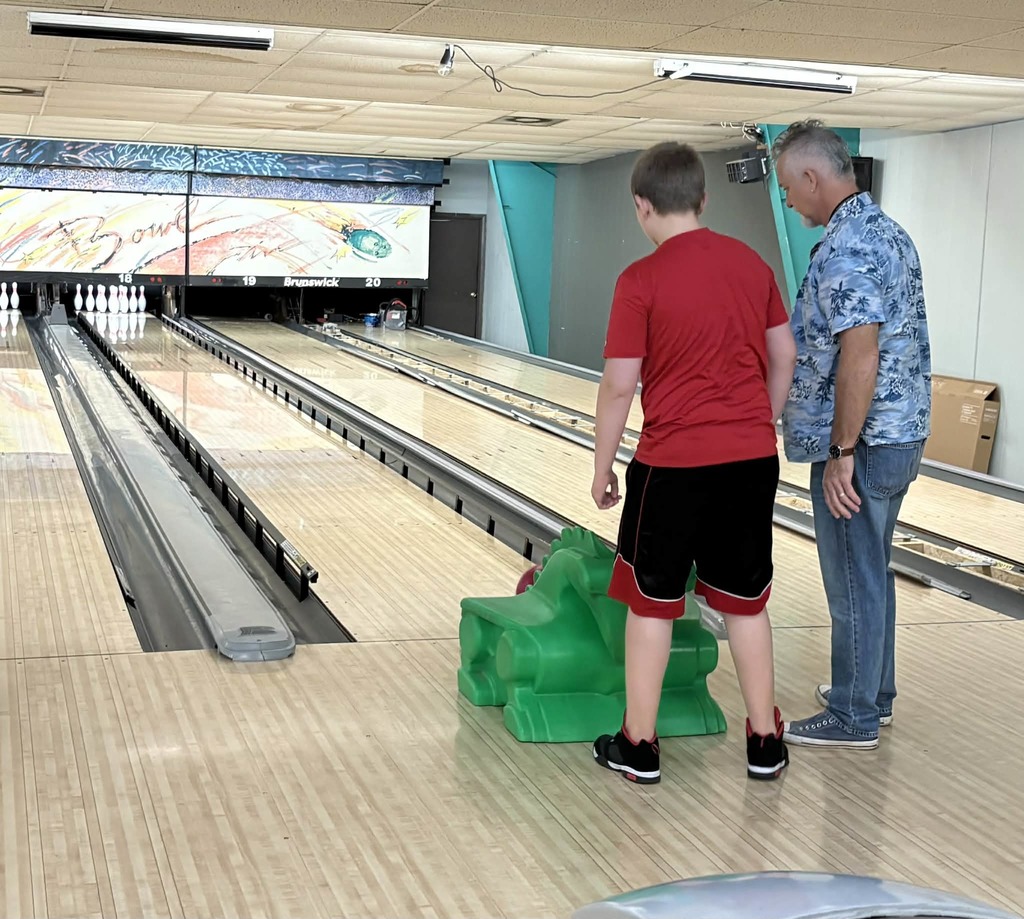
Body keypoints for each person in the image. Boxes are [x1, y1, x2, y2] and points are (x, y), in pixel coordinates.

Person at [590, 140, 797, 783]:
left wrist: (602, 466)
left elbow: (620, 384)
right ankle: (765, 740)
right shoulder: (753, 265)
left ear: (641, 206)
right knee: (745, 602)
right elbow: (784, 354)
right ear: (704, 199)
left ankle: (639, 744)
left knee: (652, 603)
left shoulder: (640, 280)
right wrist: (760, 420)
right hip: (750, 461)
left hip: (671, 466)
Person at [772, 120, 931, 749]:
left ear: (814, 178)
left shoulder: (846, 249)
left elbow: (859, 355)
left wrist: (840, 453)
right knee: (872, 568)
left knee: (851, 575)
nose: (788, 200)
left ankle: (853, 716)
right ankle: (873, 694)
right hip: (900, 433)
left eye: (789, 188)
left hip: (863, 444)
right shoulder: (887, 232)